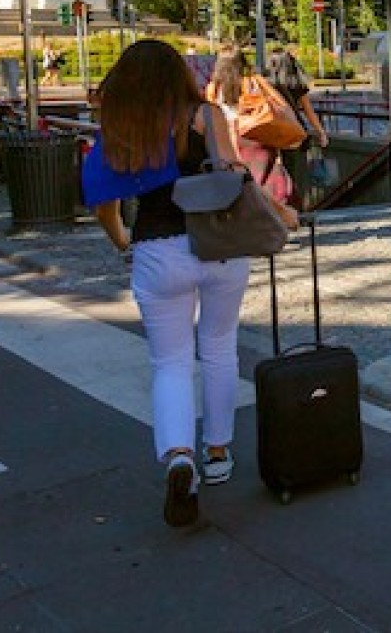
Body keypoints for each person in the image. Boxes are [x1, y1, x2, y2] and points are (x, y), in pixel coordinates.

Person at [87, 39, 282, 527]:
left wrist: (121, 241)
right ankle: (218, 453)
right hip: (219, 245)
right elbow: (237, 175)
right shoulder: (205, 116)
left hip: (158, 250)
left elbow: (102, 203)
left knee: (170, 363)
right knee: (218, 347)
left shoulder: (120, 128)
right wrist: (283, 213)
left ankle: (179, 457)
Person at [206, 47, 297, 211]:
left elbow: (209, 114)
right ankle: (272, 211)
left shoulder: (213, 88)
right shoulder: (253, 82)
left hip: (228, 137)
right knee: (265, 178)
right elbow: (282, 106)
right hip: (255, 135)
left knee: (237, 182)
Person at [263, 47, 329, 151]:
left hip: (270, 134)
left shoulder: (264, 85)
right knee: (293, 164)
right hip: (293, 133)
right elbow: (309, 111)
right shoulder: (296, 85)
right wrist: (321, 132)